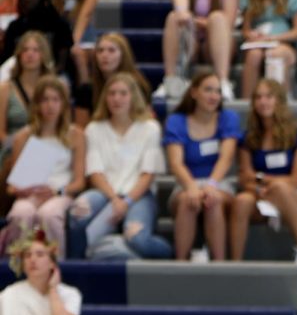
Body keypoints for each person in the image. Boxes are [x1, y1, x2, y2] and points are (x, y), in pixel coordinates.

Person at [69, 72, 169, 258]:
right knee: (78, 212)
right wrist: (115, 199)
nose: (117, 99)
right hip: (105, 193)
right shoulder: (94, 128)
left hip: (138, 196)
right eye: (112, 93)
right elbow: (95, 172)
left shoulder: (150, 128)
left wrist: (127, 201)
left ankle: (173, 255)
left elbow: (148, 174)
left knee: (137, 238)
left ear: (133, 97)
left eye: (123, 93)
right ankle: (77, 268)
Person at [229, 77, 297, 272]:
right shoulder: (248, 137)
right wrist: (260, 187)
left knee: (280, 187)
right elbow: (244, 178)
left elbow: (295, 180)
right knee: (242, 201)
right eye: (258, 97)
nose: (263, 102)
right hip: (259, 194)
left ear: (279, 100)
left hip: (293, 196)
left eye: (269, 96)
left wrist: (261, 178)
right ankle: (234, 264)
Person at [163, 68, 236, 260]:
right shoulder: (176, 121)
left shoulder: (228, 118)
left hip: (219, 182)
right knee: (188, 200)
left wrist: (211, 185)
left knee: (213, 200)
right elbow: (176, 163)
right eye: (208, 90)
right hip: (187, 182)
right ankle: (181, 263)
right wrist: (191, 186)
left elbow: (226, 158)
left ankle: (219, 264)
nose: (214, 96)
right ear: (194, 92)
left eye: (218, 91)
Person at [4, 76, 84, 247]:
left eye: (55, 99)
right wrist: (21, 190)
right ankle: (16, 265)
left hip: (60, 193)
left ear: (63, 104)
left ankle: (55, 266)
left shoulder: (76, 134)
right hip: (30, 194)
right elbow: (11, 188)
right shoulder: (23, 137)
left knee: (48, 214)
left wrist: (58, 191)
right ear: (37, 105)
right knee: (21, 213)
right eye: (45, 100)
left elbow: (79, 182)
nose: (50, 105)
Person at [156, 0, 236, 101]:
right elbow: (181, 7)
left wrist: (199, 21)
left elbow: (229, 22)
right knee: (173, 17)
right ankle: (170, 80)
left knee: (218, 17)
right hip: (190, 40)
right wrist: (186, 15)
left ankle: (223, 82)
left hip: (218, 42)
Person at [0, 0, 73, 73]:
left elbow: (62, 63)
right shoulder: (14, 27)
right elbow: (7, 59)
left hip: (53, 76)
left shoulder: (59, 25)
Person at [0, 31, 54, 151]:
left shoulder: (53, 88)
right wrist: (20, 144)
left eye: (36, 50)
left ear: (44, 55)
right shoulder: (5, 89)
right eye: (25, 50)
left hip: (47, 147)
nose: (30, 54)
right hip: (12, 150)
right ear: (19, 55)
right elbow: (1, 134)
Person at [80, 32, 152, 120]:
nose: (104, 55)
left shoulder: (138, 85)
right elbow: (81, 127)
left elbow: (146, 118)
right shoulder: (87, 90)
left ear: (123, 55)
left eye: (111, 50)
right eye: (100, 51)